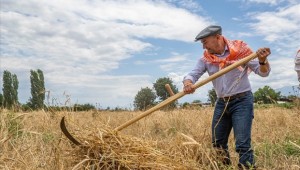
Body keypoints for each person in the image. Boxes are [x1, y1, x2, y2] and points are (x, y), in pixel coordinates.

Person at [183, 25, 271, 169]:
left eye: (205, 42)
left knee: (242, 143)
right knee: (218, 143)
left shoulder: (241, 50)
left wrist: (262, 61)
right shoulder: (206, 59)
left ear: (217, 37)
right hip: (221, 102)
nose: (203, 46)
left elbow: (263, 73)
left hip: (242, 101)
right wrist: (188, 82)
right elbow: (193, 74)